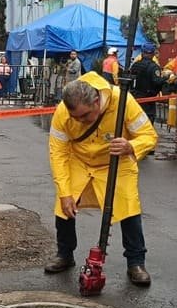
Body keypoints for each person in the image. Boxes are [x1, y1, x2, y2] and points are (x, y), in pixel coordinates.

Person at [44, 72, 158, 285]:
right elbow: (58, 153)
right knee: (65, 205)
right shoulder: (63, 112)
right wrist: (65, 192)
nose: (80, 121)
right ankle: (64, 254)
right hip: (79, 160)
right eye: (75, 117)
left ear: (97, 101)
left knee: (128, 207)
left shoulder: (123, 101)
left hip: (116, 161)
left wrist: (131, 146)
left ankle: (136, 262)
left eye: (85, 116)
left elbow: (149, 136)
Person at [129, 42, 163, 121]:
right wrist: (164, 79)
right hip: (148, 100)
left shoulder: (135, 65)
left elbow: (130, 80)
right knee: (147, 121)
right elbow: (157, 82)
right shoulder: (154, 67)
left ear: (142, 52)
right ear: (153, 53)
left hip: (135, 96)